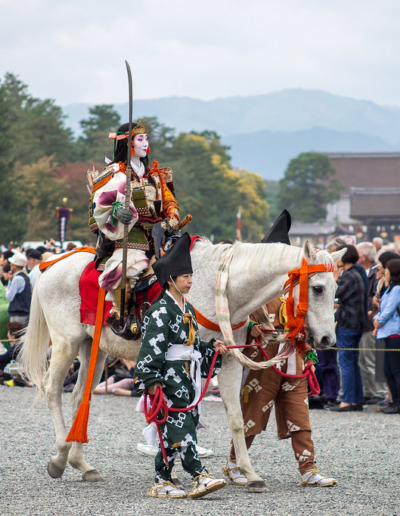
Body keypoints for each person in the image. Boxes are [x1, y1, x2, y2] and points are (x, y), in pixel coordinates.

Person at [134, 233, 228, 499]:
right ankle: (199, 475)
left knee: (176, 426)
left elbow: (195, 346)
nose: (190, 280)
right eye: (185, 276)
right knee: (181, 425)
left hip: (188, 374)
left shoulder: (186, 306)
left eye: (190, 275)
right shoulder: (161, 310)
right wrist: (151, 382)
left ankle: (162, 480)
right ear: (171, 280)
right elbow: (150, 349)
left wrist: (212, 350)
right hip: (169, 376)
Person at [89, 119, 181, 310]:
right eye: (140, 139)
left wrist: (171, 220)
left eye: (146, 139)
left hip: (160, 235)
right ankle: (122, 315)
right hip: (130, 238)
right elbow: (96, 212)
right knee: (127, 271)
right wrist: (116, 212)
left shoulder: (155, 175)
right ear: (128, 143)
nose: (145, 143)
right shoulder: (112, 174)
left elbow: (170, 202)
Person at [328, 245, 365, 412]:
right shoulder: (355, 273)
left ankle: (348, 400)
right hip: (355, 322)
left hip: (347, 322)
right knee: (352, 362)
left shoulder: (349, 276)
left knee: (345, 362)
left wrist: (334, 278)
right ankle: (356, 400)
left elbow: (334, 293)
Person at [356, 242, 387, 404]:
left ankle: (379, 392)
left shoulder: (377, 273)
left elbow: (375, 298)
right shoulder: (359, 271)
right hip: (362, 321)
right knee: (362, 359)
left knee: (372, 359)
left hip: (372, 321)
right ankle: (368, 391)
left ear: (363, 256)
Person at [373, 259, 400, 414]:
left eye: (388, 270)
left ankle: (398, 402)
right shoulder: (389, 289)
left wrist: (379, 321)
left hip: (394, 332)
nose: (385, 272)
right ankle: (394, 400)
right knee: (388, 370)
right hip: (385, 332)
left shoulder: (396, 289)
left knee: (396, 370)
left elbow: (389, 310)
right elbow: (381, 308)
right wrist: (376, 320)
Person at [6, 252, 31, 325]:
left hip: (17, 312)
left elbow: (9, 297)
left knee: (15, 334)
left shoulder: (17, 278)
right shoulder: (26, 277)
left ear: (14, 265)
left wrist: (9, 282)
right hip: (25, 311)